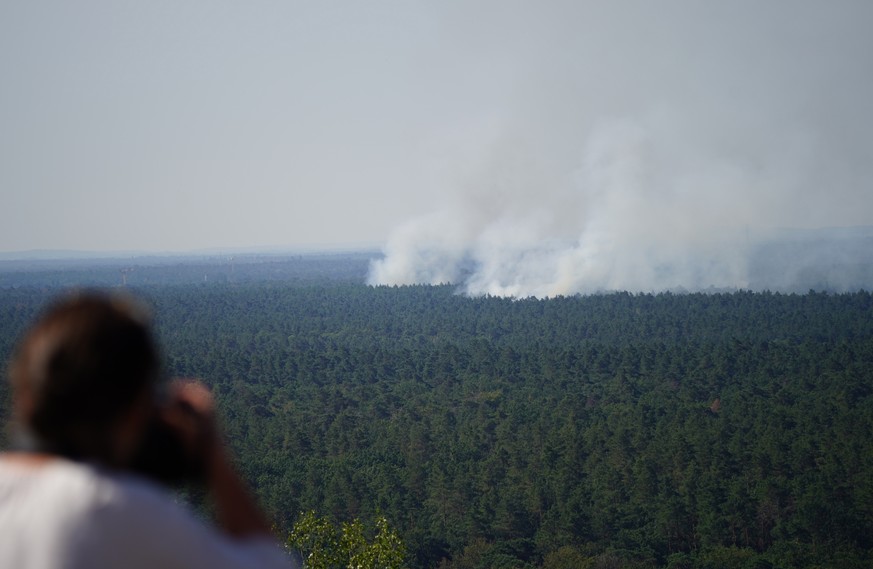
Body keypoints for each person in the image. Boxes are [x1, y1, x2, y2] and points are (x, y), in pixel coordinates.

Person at [0, 292, 299, 569]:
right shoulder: (115, 507)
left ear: (25, 391)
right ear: (136, 409)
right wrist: (211, 454)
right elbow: (270, 563)